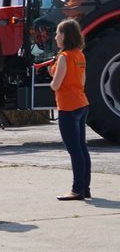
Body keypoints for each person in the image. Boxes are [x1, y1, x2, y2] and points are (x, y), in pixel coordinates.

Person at [49, 19, 91, 201]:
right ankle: (85, 186)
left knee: (74, 149)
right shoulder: (80, 55)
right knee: (82, 147)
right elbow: (81, 81)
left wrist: (53, 77)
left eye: (58, 33)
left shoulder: (64, 57)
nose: (56, 36)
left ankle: (76, 189)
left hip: (67, 106)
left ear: (65, 36)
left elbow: (55, 85)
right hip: (82, 103)